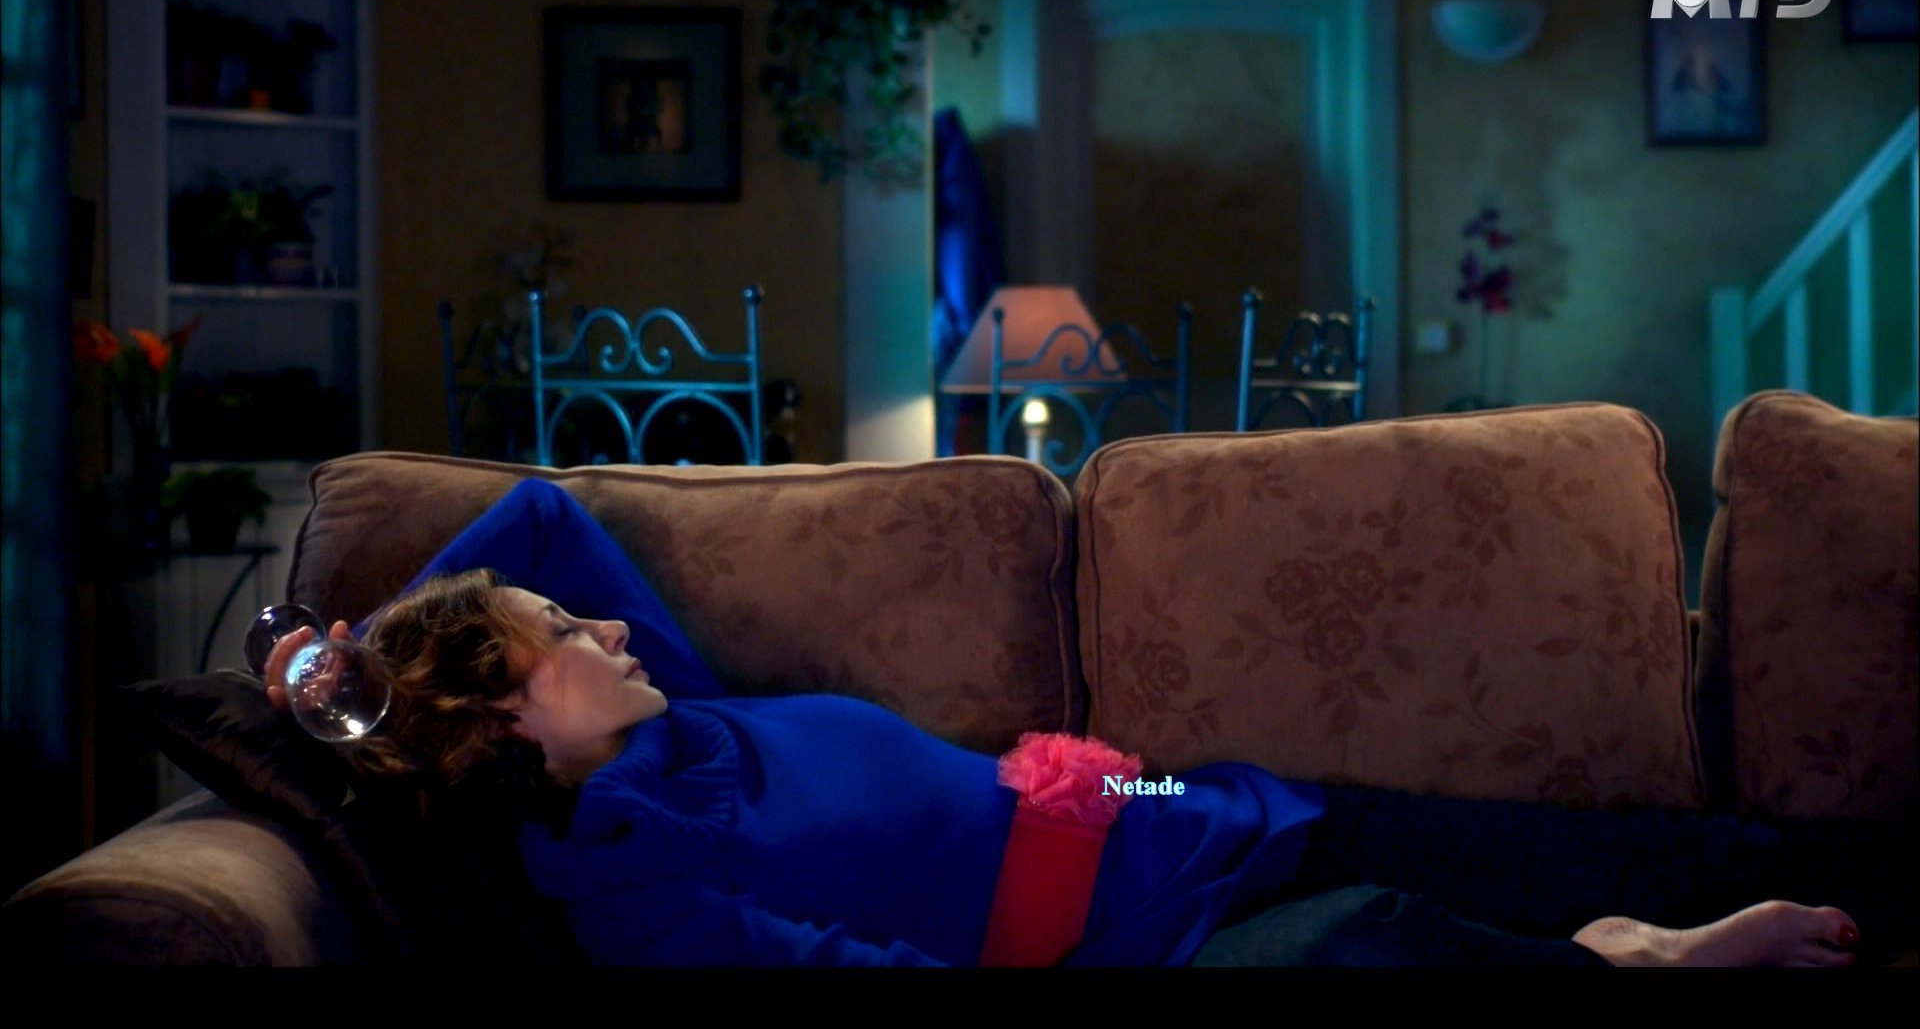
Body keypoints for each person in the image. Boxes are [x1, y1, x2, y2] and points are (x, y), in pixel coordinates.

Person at [264, 479, 1912, 968]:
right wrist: (375, 703)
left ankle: (1793, 887)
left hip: (1181, 817)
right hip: (1152, 945)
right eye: (563, 638)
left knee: (1612, 843)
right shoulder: (641, 885)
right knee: (1368, 945)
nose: (607, 624)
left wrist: (345, 665)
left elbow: (545, 515)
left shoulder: (673, 718)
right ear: (500, 718)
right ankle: (1629, 965)